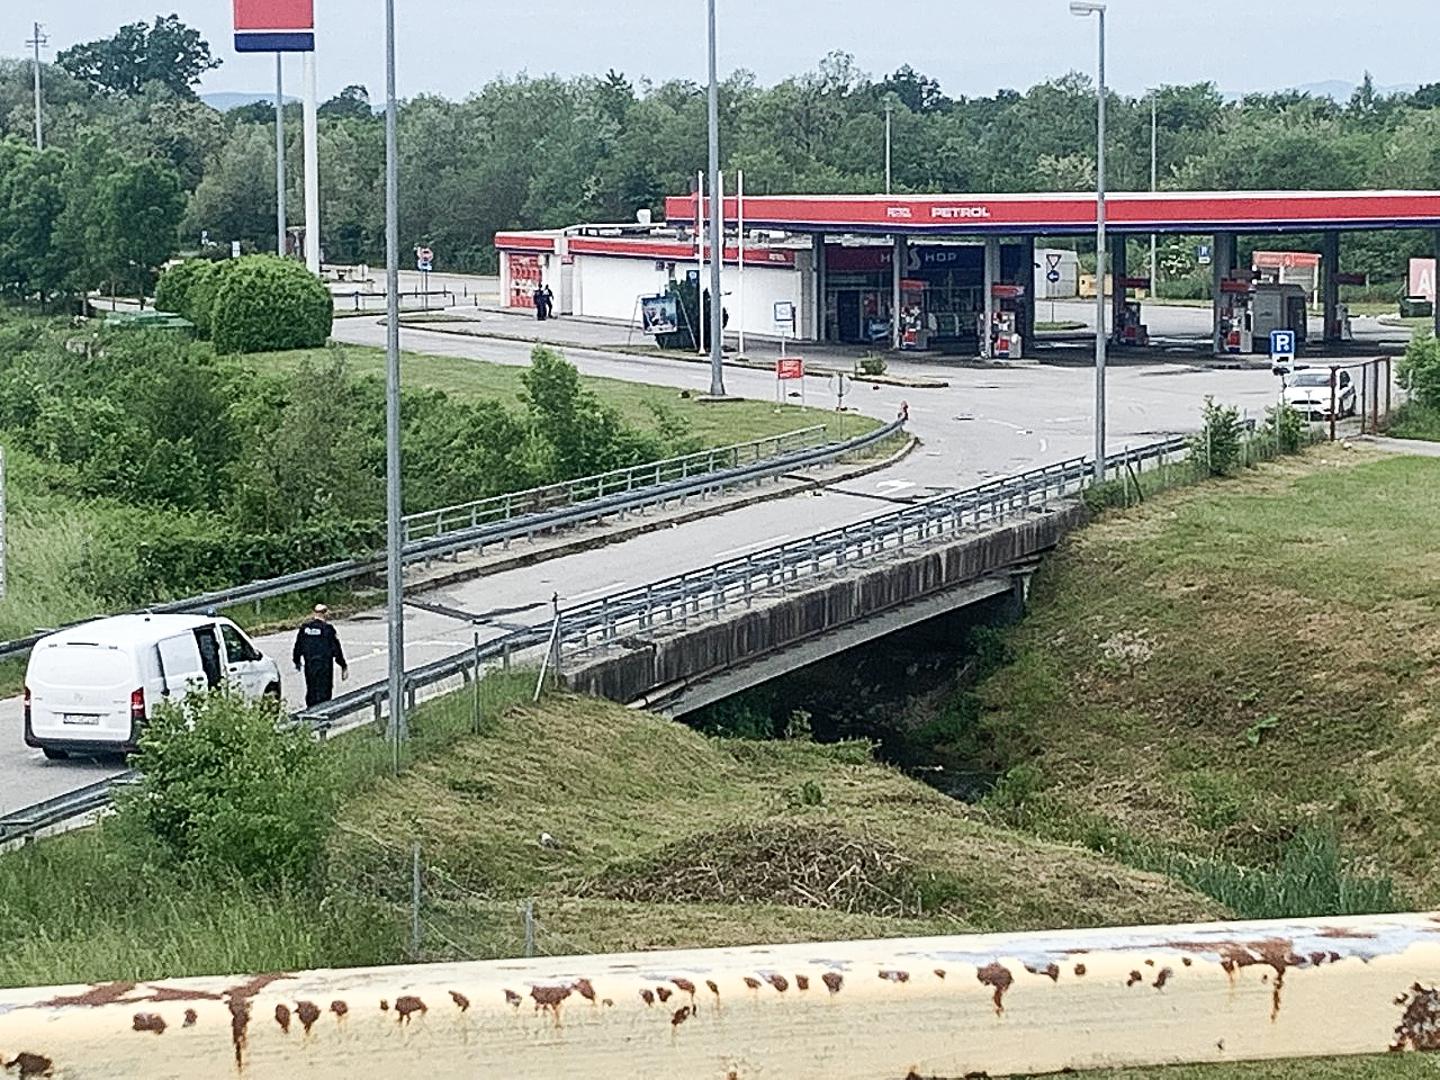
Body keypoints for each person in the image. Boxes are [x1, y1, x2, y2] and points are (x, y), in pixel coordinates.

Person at [293, 604, 349, 708]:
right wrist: (343, 665)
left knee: (312, 689)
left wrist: (296, 661)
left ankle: (311, 713)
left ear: (314, 613)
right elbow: (337, 650)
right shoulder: (328, 629)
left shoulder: (305, 629)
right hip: (324, 666)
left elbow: (298, 646)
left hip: (310, 665)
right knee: (324, 691)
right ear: (325, 613)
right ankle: (323, 714)